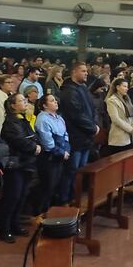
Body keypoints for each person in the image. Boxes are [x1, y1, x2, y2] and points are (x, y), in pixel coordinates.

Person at [0, 93, 41, 243]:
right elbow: (19, 140)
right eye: (22, 100)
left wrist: (34, 143)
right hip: (16, 165)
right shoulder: (11, 122)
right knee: (12, 197)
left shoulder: (22, 120)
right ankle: (4, 229)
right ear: (12, 105)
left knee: (22, 196)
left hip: (25, 163)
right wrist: (33, 147)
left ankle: (15, 225)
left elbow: (32, 136)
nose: (25, 102)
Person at [58, 62, 97, 205]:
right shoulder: (68, 91)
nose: (87, 73)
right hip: (75, 137)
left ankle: (75, 197)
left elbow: (92, 110)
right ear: (74, 72)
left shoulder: (83, 88)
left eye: (86, 70)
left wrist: (94, 125)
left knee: (80, 170)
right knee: (71, 170)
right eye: (83, 71)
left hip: (86, 136)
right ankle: (65, 199)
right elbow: (76, 114)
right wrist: (93, 127)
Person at [34, 94, 70, 215]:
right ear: (44, 105)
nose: (55, 102)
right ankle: (40, 212)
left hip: (60, 154)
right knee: (48, 186)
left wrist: (67, 149)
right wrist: (61, 153)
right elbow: (47, 143)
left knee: (56, 184)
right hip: (49, 157)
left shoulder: (59, 118)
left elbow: (65, 135)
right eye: (52, 101)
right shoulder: (42, 119)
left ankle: (51, 211)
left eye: (55, 100)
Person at [103, 78, 133, 155]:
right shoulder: (111, 100)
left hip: (130, 135)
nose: (127, 89)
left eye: (127, 87)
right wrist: (129, 129)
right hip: (119, 136)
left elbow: (132, 114)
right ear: (117, 87)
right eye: (124, 86)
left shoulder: (127, 99)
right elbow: (115, 119)